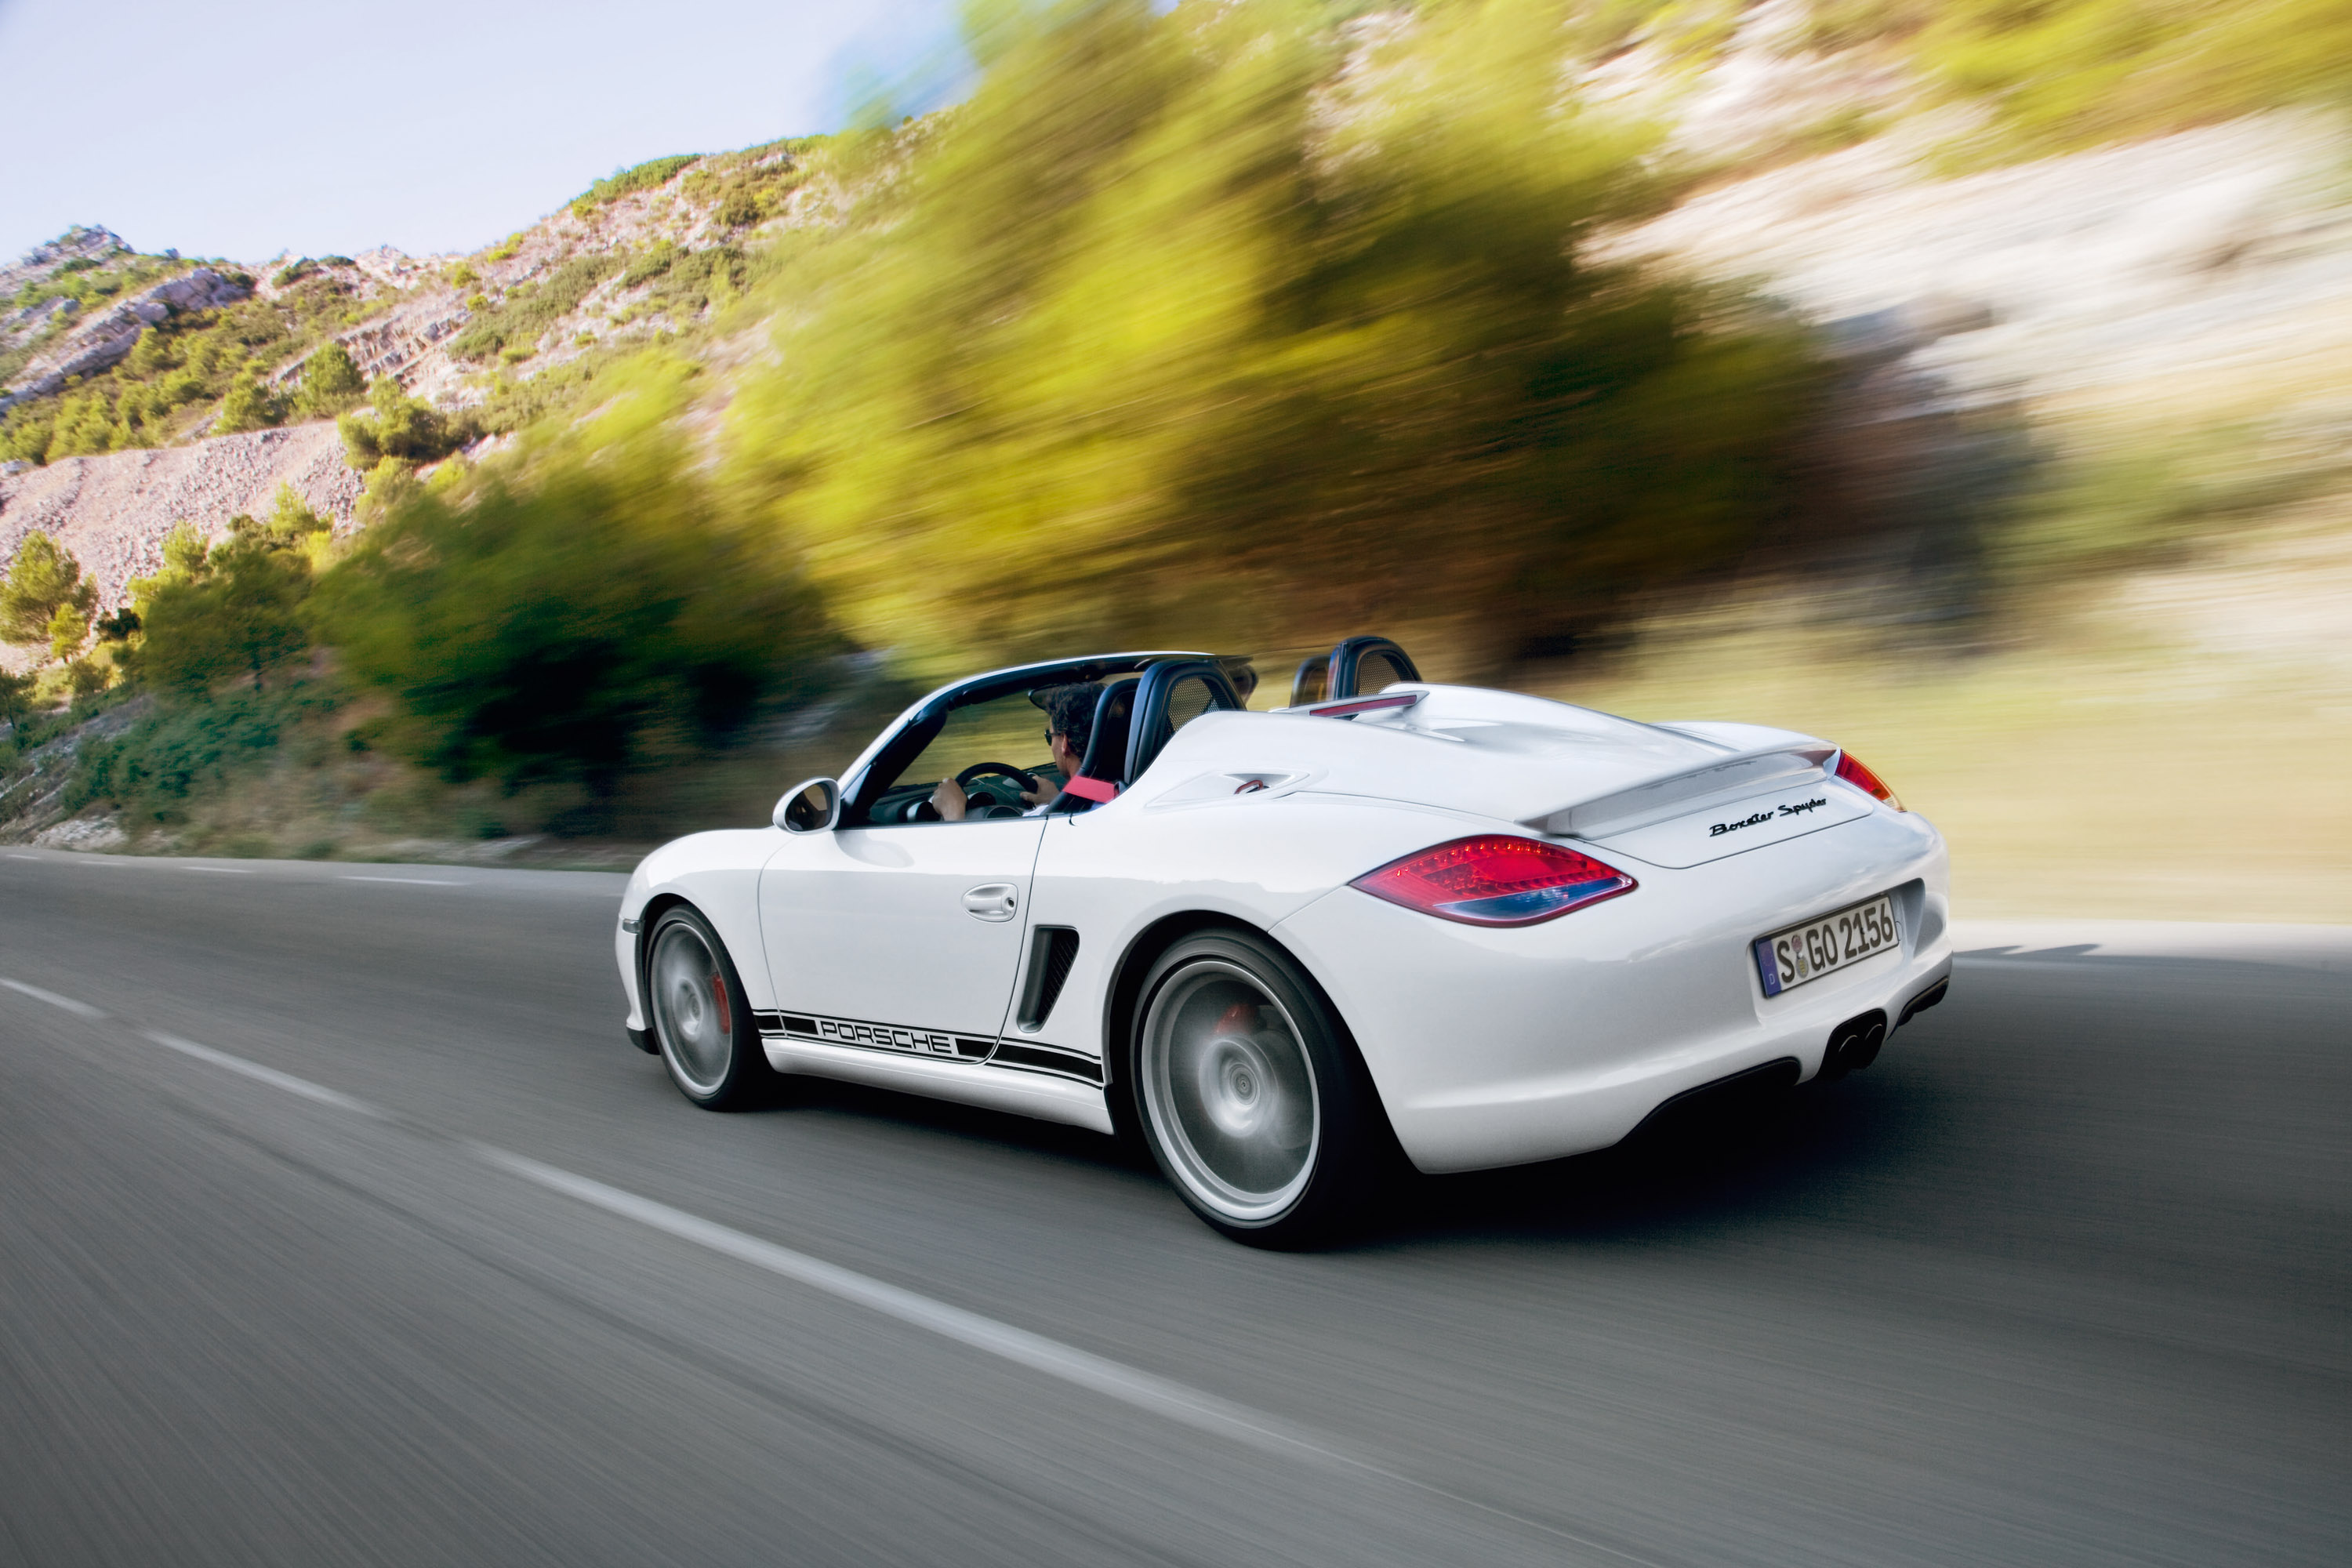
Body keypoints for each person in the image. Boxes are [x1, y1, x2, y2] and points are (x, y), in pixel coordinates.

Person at [928, 682, 1100, 822]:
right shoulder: (1114, 791)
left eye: (1050, 736)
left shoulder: (1042, 824)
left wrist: (954, 813)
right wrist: (1057, 801)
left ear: (1065, 742)